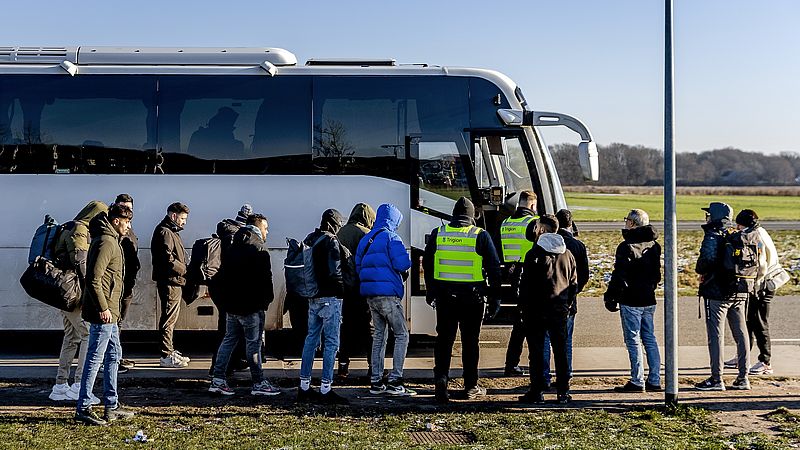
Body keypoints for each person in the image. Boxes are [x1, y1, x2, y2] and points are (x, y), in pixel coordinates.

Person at [424, 197, 502, 403]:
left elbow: (428, 264)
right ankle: (470, 386)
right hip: (472, 299)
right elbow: (494, 268)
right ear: (471, 216)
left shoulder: (439, 234)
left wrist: (431, 291)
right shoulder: (480, 235)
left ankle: (441, 382)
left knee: (444, 342)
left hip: (445, 298)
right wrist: (494, 297)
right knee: (470, 343)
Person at [75, 204, 135, 425]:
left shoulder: (110, 240)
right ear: (116, 221)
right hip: (105, 313)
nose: (129, 226)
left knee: (113, 356)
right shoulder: (106, 242)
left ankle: (112, 405)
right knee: (95, 358)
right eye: (127, 222)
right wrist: (103, 308)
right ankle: (84, 407)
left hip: (110, 312)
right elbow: (93, 278)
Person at [208, 214, 280, 396]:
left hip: (232, 306)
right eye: (266, 228)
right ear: (258, 227)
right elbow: (265, 280)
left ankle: (217, 380)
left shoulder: (233, 246)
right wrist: (266, 301)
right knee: (253, 345)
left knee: (228, 340)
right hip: (251, 306)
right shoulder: (259, 249)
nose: (267, 231)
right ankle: (258, 382)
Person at [49, 200, 107, 403]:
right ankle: (80, 385)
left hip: (63, 292)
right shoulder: (80, 230)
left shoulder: (69, 226)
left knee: (71, 336)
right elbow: (81, 263)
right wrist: (89, 293)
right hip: (74, 292)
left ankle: (60, 384)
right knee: (87, 335)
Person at [355, 203, 414, 396]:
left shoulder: (366, 239)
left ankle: (376, 382)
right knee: (401, 335)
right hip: (388, 295)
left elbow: (358, 266)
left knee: (379, 336)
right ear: (394, 220)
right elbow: (403, 263)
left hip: (370, 295)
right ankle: (396, 381)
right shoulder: (391, 237)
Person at [518, 215, 577, 404]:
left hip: (536, 311)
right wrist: (567, 305)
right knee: (561, 352)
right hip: (559, 310)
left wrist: (523, 308)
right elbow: (573, 284)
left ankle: (537, 391)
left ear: (542, 230)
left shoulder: (534, 254)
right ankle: (563, 392)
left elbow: (526, 286)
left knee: (536, 352)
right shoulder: (567, 254)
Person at [603, 209, 662, 393]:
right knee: (650, 338)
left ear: (633, 223)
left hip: (631, 299)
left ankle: (637, 380)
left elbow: (619, 275)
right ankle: (654, 379)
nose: (625, 222)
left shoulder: (626, 246)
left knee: (633, 339)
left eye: (627, 220)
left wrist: (611, 296)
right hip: (648, 298)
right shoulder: (654, 245)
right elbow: (657, 275)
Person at [695, 202, 751, 391]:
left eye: (708, 214)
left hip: (718, 292)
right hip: (740, 289)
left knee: (716, 335)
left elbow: (706, 261)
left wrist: (701, 270)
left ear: (715, 216)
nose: (706, 217)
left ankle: (716, 379)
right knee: (741, 333)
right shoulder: (737, 234)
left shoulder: (713, 234)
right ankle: (743, 378)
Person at [296, 209, 349, 405]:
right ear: (334, 224)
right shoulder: (330, 241)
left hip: (313, 298)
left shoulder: (311, 238)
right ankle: (326, 387)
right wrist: (342, 290)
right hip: (330, 298)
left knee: (310, 340)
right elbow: (334, 271)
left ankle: (304, 386)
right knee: (331, 343)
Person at [541, 209, 590, 385]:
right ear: (570, 224)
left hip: (546, 300)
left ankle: (543, 377)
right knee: (565, 341)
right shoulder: (577, 246)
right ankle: (565, 377)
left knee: (545, 341)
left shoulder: (544, 245)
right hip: (568, 300)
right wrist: (573, 292)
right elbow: (584, 276)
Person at [728, 209, 778, 376]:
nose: (736, 227)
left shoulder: (755, 237)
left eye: (738, 224)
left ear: (743, 224)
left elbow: (762, 265)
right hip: (760, 284)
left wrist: (754, 284)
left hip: (762, 286)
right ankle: (743, 356)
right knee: (747, 322)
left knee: (759, 323)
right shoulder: (759, 231)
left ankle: (765, 362)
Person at [209, 204, 253, 376]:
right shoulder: (234, 238)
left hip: (222, 288)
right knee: (228, 332)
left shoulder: (228, 233)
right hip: (229, 290)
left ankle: (231, 363)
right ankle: (219, 368)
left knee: (230, 331)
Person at [499, 190, 539, 377]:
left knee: (520, 322)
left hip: (512, 275)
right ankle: (528, 363)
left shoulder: (506, 223)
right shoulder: (533, 223)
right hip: (530, 275)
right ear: (532, 205)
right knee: (528, 324)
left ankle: (512, 362)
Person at [336, 202, 376, 379]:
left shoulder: (340, 233)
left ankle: (343, 367)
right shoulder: (367, 235)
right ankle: (372, 367)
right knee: (370, 330)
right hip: (362, 288)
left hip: (344, 289)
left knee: (345, 329)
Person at [151, 202, 191, 368]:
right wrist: (184, 270)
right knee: (169, 318)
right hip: (170, 281)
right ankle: (166, 355)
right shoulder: (165, 232)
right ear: (173, 215)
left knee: (170, 317)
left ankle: (169, 350)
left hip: (173, 280)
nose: (184, 222)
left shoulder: (170, 231)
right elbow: (167, 259)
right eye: (182, 218)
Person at [115, 194, 140, 373]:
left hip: (126, 284)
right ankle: (113, 360)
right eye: (123, 207)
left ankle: (116, 356)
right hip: (119, 285)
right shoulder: (114, 235)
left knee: (118, 323)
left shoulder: (128, 231)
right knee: (114, 324)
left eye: (129, 208)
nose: (127, 211)